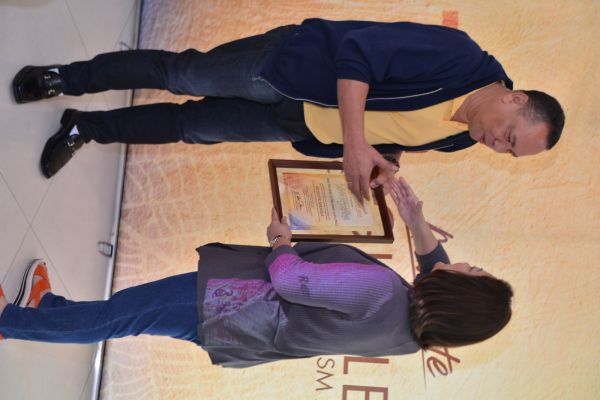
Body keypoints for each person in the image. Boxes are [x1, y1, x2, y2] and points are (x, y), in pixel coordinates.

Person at [13, 18, 564, 201]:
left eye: (508, 153)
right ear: (514, 100)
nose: (497, 147)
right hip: (295, 67)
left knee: (191, 128)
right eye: (510, 137)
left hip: (297, 124)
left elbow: (393, 127)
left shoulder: (462, 137)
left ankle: (86, 128)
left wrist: (385, 164)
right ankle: (65, 78)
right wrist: (355, 143)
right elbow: (357, 53)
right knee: (181, 74)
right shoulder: (460, 57)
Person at [0, 178, 513, 366]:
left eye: (476, 272)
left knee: (124, 315)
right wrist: (416, 220)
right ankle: (48, 308)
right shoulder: (414, 335)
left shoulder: (381, 290)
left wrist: (280, 241)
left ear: (462, 291)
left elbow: (291, 281)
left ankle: (12, 322)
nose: (468, 264)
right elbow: (435, 274)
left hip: (231, 300)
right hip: (239, 329)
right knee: (130, 314)